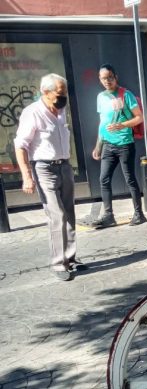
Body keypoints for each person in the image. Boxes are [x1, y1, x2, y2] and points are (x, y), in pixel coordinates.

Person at [14, 74, 83, 281]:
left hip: (64, 165)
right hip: (44, 167)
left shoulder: (61, 111)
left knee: (69, 212)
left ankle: (70, 258)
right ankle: (58, 262)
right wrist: (27, 176)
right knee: (56, 215)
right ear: (45, 92)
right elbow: (20, 145)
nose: (63, 98)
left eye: (64, 93)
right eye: (59, 94)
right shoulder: (32, 113)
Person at [92, 63, 147, 228]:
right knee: (104, 179)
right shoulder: (100, 97)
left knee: (130, 178)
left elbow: (139, 117)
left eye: (110, 77)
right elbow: (102, 123)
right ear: (100, 80)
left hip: (125, 144)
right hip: (108, 144)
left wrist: (122, 125)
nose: (107, 81)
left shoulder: (126, 95)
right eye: (103, 78)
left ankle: (139, 213)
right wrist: (98, 145)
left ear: (116, 77)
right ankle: (108, 215)